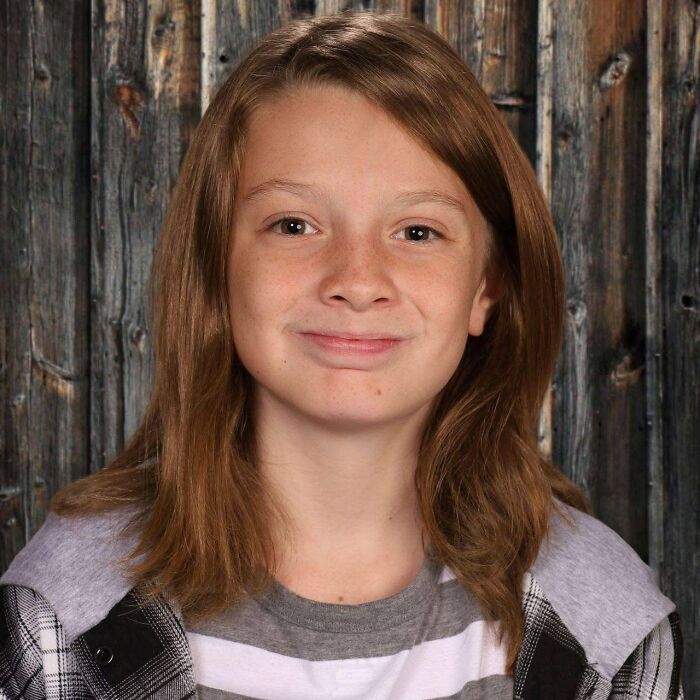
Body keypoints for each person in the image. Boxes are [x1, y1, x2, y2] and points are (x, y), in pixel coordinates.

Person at [0, 10, 683, 700]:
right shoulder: (68, 615)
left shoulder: (600, 628)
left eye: (417, 231)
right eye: (293, 224)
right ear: (214, 267)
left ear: (487, 288)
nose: (356, 280)